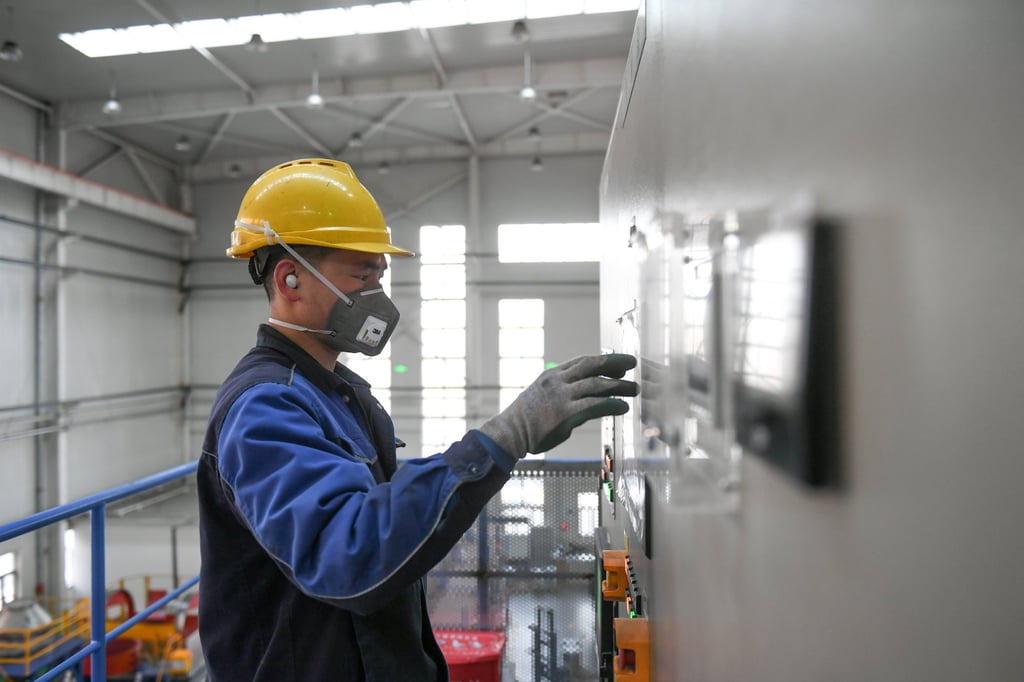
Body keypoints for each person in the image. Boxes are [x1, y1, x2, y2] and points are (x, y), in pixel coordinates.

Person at [196, 158, 638, 681]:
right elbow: (349, 554)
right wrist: (503, 437)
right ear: (290, 278)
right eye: (361, 275)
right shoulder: (265, 407)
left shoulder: (337, 392)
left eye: (380, 276)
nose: (376, 297)